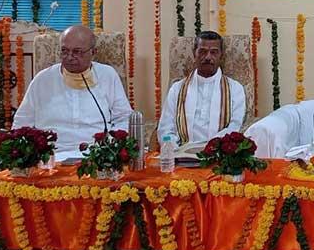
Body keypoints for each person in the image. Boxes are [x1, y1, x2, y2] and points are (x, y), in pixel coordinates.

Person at [12, 25, 133, 160]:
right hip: (52, 158)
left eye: (77, 52)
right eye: (64, 51)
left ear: (93, 52)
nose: (69, 57)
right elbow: (22, 123)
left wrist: (110, 147)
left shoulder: (107, 75)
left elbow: (124, 118)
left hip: (97, 157)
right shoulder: (43, 79)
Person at [157, 31, 245, 146]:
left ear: (221, 56)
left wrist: (210, 148)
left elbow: (235, 127)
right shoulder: (177, 89)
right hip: (181, 155)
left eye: (214, 52)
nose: (208, 57)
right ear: (195, 53)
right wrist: (176, 151)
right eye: (202, 51)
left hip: (218, 154)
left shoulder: (235, 89)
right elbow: (165, 129)